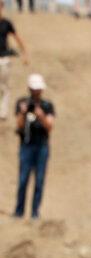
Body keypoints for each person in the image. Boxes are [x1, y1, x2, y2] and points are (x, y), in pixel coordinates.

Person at [13, 73, 53, 219]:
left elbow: (50, 126)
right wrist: (23, 113)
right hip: (26, 145)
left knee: (39, 180)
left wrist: (41, 115)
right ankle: (19, 211)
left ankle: (35, 212)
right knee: (23, 179)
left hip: (41, 145)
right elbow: (19, 125)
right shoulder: (21, 103)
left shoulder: (47, 106)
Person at [0, 1, 30, 121]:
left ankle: (3, 112)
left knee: (4, 87)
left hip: (4, 59)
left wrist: (25, 54)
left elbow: (18, 39)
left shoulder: (7, 23)